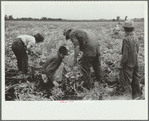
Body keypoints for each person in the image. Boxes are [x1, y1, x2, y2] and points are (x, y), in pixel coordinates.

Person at [118, 20, 142, 99]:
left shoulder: (126, 39)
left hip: (129, 63)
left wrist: (121, 65)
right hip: (136, 61)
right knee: (136, 78)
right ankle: (138, 95)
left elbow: (125, 55)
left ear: (125, 29)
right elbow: (137, 49)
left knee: (127, 81)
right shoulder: (135, 37)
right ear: (132, 28)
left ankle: (128, 97)